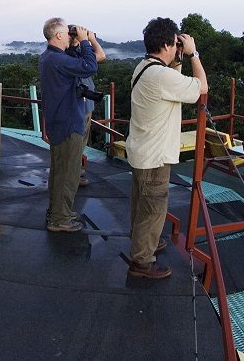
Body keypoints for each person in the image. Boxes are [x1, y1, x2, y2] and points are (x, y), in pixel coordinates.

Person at [126, 17, 208, 278]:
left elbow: (172, 81)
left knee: (142, 204)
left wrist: (179, 57)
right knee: (153, 208)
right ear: (165, 44)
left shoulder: (144, 67)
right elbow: (201, 88)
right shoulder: (160, 76)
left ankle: (145, 242)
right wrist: (194, 53)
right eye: (174, 43)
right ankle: (142, 262)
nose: (177, 47)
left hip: (142, 150)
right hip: (155, 156)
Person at [38, 17, 98, 232]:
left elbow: (76, 63)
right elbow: (90, 66)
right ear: (59, 35)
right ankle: (60, 219)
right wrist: (84, 41)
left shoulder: (50, 57)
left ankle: (57, 211)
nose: (71, 34)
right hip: (68, 122)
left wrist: (76, 44)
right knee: (69, 172)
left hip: (58, 121)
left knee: (59, 171)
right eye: (68, 32)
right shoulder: (57, 60)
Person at [66, 31, 106, 186]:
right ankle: (72, 176)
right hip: (77, 106)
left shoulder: (78, 54)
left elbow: (101, 56)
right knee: (75, 143)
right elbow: (100, 57)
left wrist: (89, 40)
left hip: (86, 104)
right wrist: (88, 40)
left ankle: (74, 170)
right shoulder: (68, 57)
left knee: (80, 142)